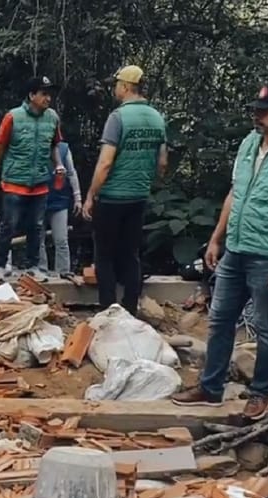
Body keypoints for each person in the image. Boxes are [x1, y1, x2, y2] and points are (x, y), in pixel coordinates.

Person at [172, 82, 268, 421]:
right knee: (220, 320)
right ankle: (210, 389)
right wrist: (216, 238)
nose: (257, 115)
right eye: (255, 109)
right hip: (236, 249)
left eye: (264, 111)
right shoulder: (250, 143)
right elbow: (235, 193)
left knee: (266, 327)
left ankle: (260, 393)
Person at [82, 65, 167, 314]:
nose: (114, 88)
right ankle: (130, 308)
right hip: (138, 196)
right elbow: (162, 162)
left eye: (117, 84)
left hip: (112, 198)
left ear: (127, 87)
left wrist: (91, 196)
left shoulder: (118, 118)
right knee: (131, 255)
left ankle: (109, 311)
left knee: (105, 256)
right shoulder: (156, 117)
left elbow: (106, 162)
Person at [0, 76, 66, 281]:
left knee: (36, 226)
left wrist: (58, 164)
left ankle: (33, 266)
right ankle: (0, 265)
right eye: (43, 93)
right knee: (8, 225)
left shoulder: (52, 118)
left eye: (49, 94)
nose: (48, 98)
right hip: (14, 181)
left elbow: (54, 145)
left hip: (40, 182)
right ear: (32, 95)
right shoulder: (13, 117)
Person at [38, 140, 83, 277]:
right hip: (37, 200)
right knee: (37, 241)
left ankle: (63, 273)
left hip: (60, 201)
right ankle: (41, 273)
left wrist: (77, 197)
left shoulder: (63, 148)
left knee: (61, 240)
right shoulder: (34, 144)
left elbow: (71, 172)